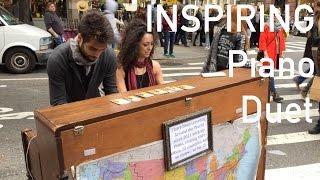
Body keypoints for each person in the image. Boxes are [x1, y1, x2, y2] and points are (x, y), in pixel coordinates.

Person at [47, 11, 117, 106]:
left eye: (102, 50)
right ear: (80, 38)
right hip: (68, 110)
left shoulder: (109, 55)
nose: (97, 55)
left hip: (95, 108)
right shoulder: (58, 58)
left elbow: (111, 92)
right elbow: (58, 102)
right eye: (93, 48)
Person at [116, 19, 164, 92]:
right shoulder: (122, 69)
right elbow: (123, 96)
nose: (150, 48)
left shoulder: (155, 66)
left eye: (152, 44)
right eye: (145, 44)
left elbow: (164, 91)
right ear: (134, 45)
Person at [202, 5, 245, 72]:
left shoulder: (221, 30)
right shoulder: (239, 34)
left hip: (216, 66)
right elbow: (238, 60)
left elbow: (212, 52)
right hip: (229, 71)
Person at [259, 13, 286, 103]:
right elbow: (262, 40)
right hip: (268, 53)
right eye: (273, 15)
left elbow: (281, 40)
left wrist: (281, 52)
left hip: (276, 53)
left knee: (267, 73)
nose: (275, 17)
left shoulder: (279, 27)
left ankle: (265, 93)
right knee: (269, 74)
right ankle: (274, 94)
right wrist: (265, 53)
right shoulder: (266, 26)